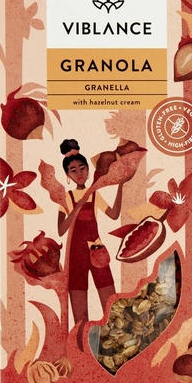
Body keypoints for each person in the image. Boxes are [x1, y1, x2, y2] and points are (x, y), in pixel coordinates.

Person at [57, 139, 125, 327]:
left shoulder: (94, 194)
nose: (79, 173)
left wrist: (121, 186)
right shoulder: (67, 197)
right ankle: (82, 342)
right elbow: (61, 229)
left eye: (82, 168)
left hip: (97, 250)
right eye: (73, 170)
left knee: (111, 304)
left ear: (88, 170)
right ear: (67, 175)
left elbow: (114, 214)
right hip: (76, 255)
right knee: (80, 315)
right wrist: (77, 207)